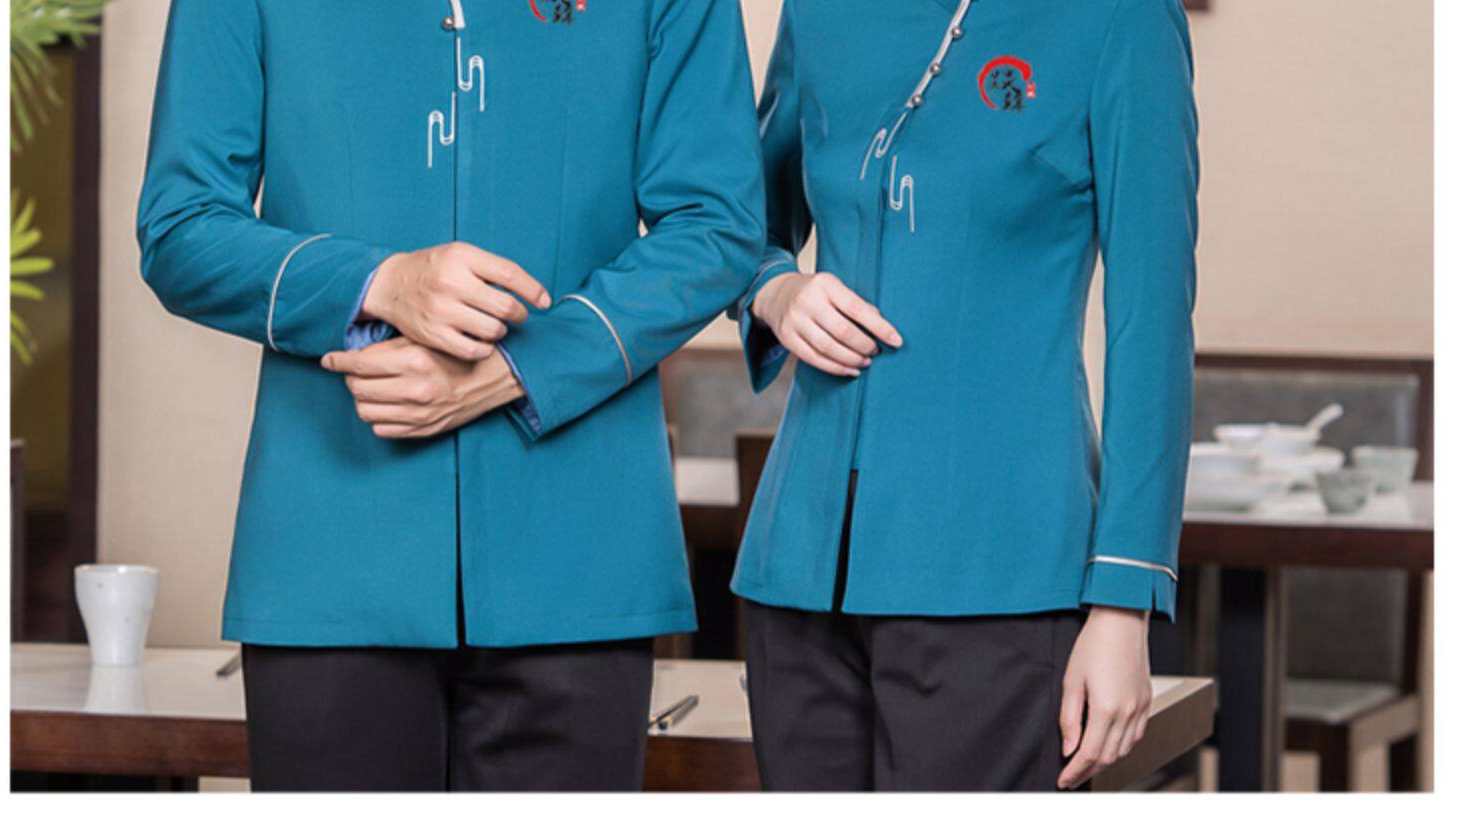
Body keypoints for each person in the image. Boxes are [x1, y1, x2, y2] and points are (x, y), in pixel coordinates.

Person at [136, 0, 763, 791]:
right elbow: (181, 224)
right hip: (330, 552)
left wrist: (519, 367)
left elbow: (717, 223)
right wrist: (381, 282)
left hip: (581, 555)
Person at [730, 0, 1198, 791]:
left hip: (1001, 578)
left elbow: (1152, 323)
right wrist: (775, 291)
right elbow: (740, 223)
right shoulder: (819, 11)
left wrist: (1125, 602)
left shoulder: (1122, 18)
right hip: (799, 572)